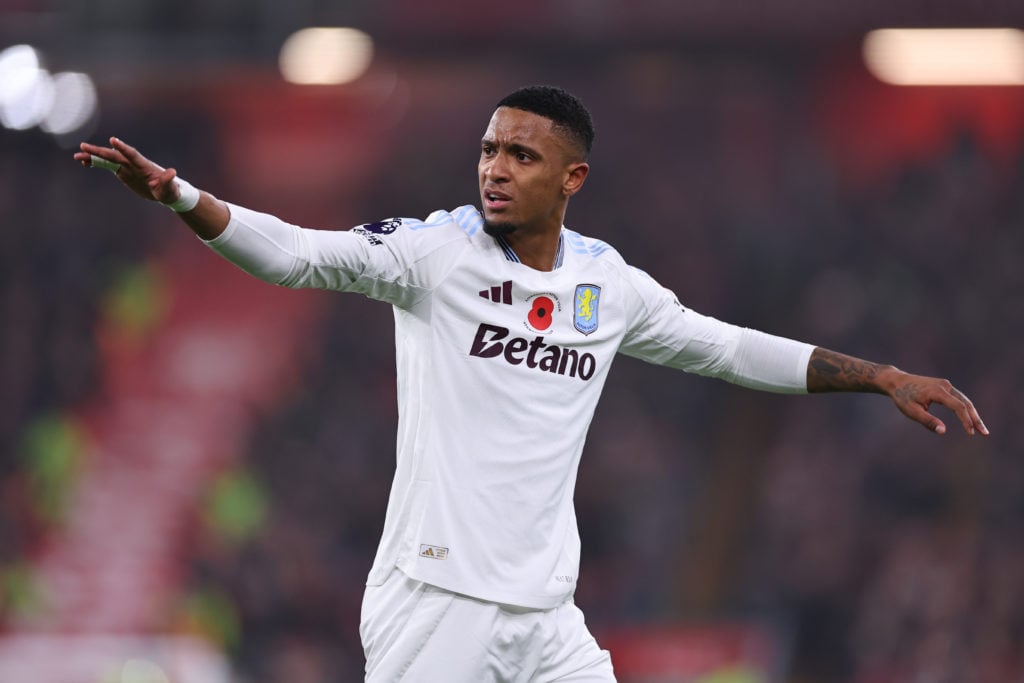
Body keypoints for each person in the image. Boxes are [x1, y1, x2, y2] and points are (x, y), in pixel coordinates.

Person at [76, 85, 987, 682]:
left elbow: (728, 348)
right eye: (488, 150)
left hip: (546, 613)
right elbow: (301, 259)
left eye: (519, 154)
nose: (494, 169)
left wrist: (881, 376)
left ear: (572, 177)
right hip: (436, 600)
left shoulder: (607, 285)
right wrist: (185, 198)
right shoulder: (434, 254)